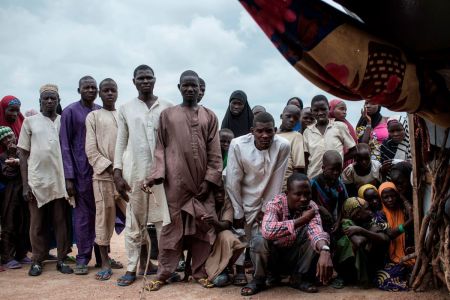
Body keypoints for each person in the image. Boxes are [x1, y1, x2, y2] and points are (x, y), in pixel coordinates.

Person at [142, 70, 222, 291]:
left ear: (199, 88)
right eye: (185, 85)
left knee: (203, 228)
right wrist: (155, 176)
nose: (189, 89)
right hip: (175, 185)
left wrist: (210, 180)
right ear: (179, 88)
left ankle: (199, 272)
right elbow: (160, 148)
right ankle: (164, 274)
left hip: (201, 186)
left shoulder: (210, 116)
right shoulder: (167, 115)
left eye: (193, 86)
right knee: (171, 229)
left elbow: (214, 153)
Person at [114, 65, 173, 286]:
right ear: (134, 81)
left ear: (155, 80)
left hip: (161, 175)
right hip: (134, 173)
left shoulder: (167, 106)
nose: (145, 81)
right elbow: (121, 141)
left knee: (163, 222)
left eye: (149, 77)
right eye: (141, 78)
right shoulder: (126, 108)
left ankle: (165, 269)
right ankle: (131, 268)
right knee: (133, 221)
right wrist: (117, 173)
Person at [225, 111, 290, 295]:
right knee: (240, 234)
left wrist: (267, 209)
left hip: (267, 197)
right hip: (242, 195)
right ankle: (238, 271)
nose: (265, 136)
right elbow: (232, 180)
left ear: (275, 130)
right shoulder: (237, 145)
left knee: (262, 237)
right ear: (252, 130)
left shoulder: (283, 146)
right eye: (260, 131)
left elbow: (277, 179)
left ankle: (260, 275)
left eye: (269, 131)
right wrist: (238, 212)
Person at [243, 173, 333, 296]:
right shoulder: (275, 204)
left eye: (307, 194)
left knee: (316, 239)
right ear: (287, 193)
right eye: (298, 194)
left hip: (294, 259)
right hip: (273, 259)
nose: (304, 198)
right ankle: (259, 279)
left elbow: (316, 231)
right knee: (259, 240)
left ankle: (298, 278)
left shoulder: (311, 207)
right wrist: (301, 220)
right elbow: (268, 231)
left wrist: (324, 250)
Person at [18, 84, 73, 276]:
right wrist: (26, 185)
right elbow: (23, 154)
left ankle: (61, 259)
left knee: (61, 221)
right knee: (37, 223)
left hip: (60, 180)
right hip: (37, 180)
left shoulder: (63, 121)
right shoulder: (30, 122)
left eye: (53, 99)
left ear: (58, 102)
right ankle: (37, 260)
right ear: (40, 101)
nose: (49, 101)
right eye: (46, 99)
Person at [60, 75, 104, 275]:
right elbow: (65, 146)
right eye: (86, 87)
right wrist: (69, 177)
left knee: (103, 215)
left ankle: (103, 257)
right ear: (79, 90)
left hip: (101, 171)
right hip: (79, 173)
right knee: (83, 217)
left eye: (94, 87)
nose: (91, 90)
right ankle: (82, 258)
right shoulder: (70, 112)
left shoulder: (100, 111)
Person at [85, 78, 127, 281]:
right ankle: (104, 262)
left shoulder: (123, 115)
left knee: (137, 216)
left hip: (127, 178)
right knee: (103, 218)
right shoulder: (93, 117)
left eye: (113, 90)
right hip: (103, 178)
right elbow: (91, 151)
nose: (110, 93)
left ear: (118, 93)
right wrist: (113, 171)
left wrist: (123, 172)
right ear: (100, 94)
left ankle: (145, 258)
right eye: (106, 90)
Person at [335, 197, 389, 286]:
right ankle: (348, 277)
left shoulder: (368, 221)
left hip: (367, 261)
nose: (370, 212)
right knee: (346, 242)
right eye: (367, 209)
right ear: (357, 214)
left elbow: (384, 238)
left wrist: (361, 230)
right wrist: (371, 233)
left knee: (376, 242)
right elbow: (359, 242)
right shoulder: (346, 222)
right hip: (347, 264)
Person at [303, 95, 356, 179]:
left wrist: (339, 161)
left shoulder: (339, 127)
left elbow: (353, 150)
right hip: (313, 176)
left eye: (323, 109)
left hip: (335, 177)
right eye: (316, 110)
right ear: (311, 111)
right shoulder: (307, 132)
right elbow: (306, 158)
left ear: (329, 107)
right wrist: (305, 177)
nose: (320, 113)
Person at [204, 183, 247, 287]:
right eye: (216, 193)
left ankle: (226, 268)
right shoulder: (205, 203)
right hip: (207, 246)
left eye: (221, 192)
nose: (219, 195)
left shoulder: (227, 203)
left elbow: (226, 225)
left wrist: (214, 222)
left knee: (228, 235)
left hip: (221, 244)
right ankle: (219, 270)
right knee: (220, 280)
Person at [0, 126, 30, 269]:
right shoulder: (2, 157)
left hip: (24, 191)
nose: (8, 140)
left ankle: (21, 254)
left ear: (15, 136)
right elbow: (8, 174)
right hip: (10, 194)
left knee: (23, 223)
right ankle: (7, 257)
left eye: (10, 136)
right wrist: (13, 156)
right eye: (4, 139)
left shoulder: (24, 151)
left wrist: (18, 160)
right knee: (9, 223)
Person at [375, 182, 414, 291]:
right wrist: (409, 222)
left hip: (407, 252)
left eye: (393, 195)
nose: (390, 199)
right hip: (388, 257)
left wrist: (403, 198)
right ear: (381, 198)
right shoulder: (380, 215)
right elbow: (390, 234)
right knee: (385, 279)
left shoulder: (403, 210)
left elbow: (412, 210)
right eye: (386, 197)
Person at [311, 150, 348, 235]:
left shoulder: (340, 185)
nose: (336, 173)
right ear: (323, 168)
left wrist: (338, 222)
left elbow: (343, 205)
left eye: (339, 170)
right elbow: (307, 202)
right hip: (314, 219)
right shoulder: (314, 183)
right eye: (332, 169)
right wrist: (320, 208)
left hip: (331, 219)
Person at [277, 104, 305, 190]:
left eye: (295, 118)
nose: (292, 120)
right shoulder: (273, 135)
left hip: (285, 185)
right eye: (288, 116)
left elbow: (298, 167)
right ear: (281, 116)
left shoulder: (296, 136)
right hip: (271, 184)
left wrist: (291, 188)